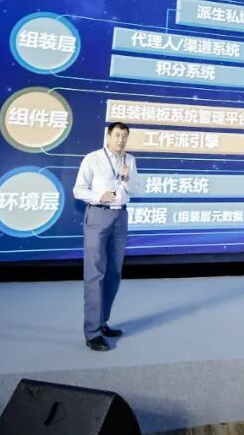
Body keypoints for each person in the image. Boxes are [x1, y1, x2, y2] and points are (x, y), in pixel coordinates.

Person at [73, 121, 142, 351]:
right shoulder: (92, 158)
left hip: (120, 216)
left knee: (114, 272)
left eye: (124, 136)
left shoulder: (130, 160)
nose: (121, 140)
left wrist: (126, 178)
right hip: (98, 214)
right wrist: (99, 196)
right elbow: (78, 189)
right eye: (117, 135)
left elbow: (137, 189)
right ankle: (92, 332)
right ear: (108, 136)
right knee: (95, 273)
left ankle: (102, 322)